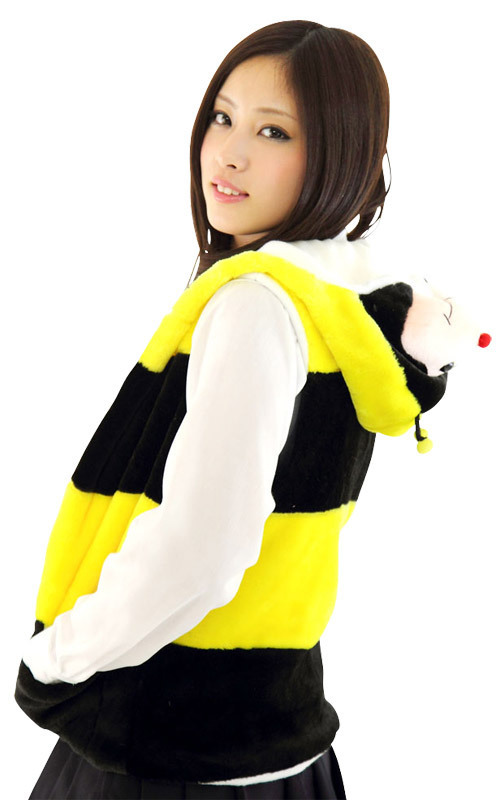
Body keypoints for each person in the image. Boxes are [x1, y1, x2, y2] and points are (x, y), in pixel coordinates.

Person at [14, 19, 455, 800]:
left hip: (168, 744)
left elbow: (204, 550)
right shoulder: (347, 303)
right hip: (282, 737)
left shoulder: (256, 303)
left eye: (274, 131)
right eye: (222, 118)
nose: (228, 153)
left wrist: (61, 658)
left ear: (341, 155)